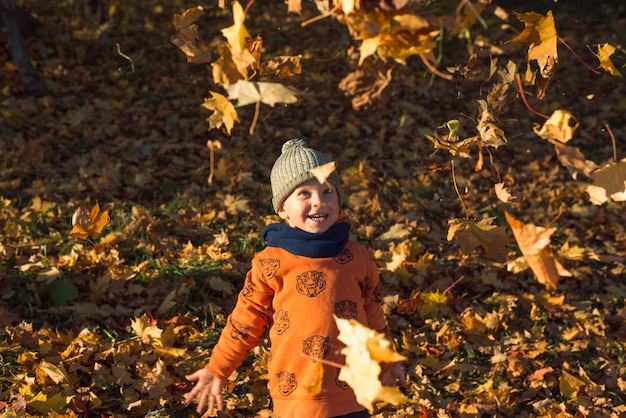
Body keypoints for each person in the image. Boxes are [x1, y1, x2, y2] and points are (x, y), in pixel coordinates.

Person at [184, 138, 404, 417]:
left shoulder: (357, 257)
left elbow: (374, 314)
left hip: (353, 395)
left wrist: (387, 359)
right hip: (295, 397)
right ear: (282, 209)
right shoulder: (270, 263)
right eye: (304, 193)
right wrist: (219, 368)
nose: (318, 201)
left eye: (327, 191)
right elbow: (245, 321)